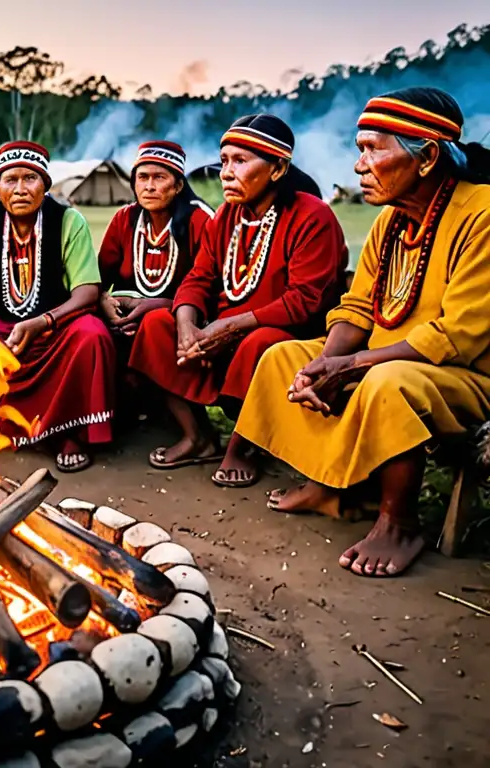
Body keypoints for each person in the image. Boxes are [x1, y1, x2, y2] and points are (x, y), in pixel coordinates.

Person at [228, 87, 490, 577]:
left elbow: (457, 336)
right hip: (388, 355)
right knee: (284, 358)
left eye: (374, 149)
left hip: (465, 375)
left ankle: (400, 521)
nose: (358, 165)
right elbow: (356, 307)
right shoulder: (391, 220)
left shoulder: (483, 213)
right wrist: (326, 361)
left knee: (387, 381)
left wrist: (351, 365)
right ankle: (333, 484)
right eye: (358, 149)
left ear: (428, 155)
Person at [128, 115, 347, 480]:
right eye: (224, 160)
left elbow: (305, 301)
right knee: (154, 325)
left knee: (260, 343)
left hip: (286, 333)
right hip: (224, 329)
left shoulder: (313, 216)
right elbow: (199, 276)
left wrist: (230, 326)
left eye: (240, 161)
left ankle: (243, 446)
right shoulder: (228, 215)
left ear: (277, 168)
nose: (226, 172)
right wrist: (186, 324)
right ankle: (197, 436)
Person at [0, 141, 115, 473]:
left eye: (30, 178)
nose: (20, 189)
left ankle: (72, 433)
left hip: (55, 328)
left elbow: (87, 291)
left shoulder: (70, 222)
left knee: (91, 336)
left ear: (46, 185)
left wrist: (42, 322)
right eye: (10, 180)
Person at [98, 141, 213, 353]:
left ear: (178, 186)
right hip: (124, 320)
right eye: (142, 177)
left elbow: (209, 290)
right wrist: (105, 301)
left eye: (159, 177)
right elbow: (99, 279)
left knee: (154, 320)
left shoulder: (199, 221)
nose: (149, 186)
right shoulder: (124, 219)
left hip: (178, 323)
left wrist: (162, 304)